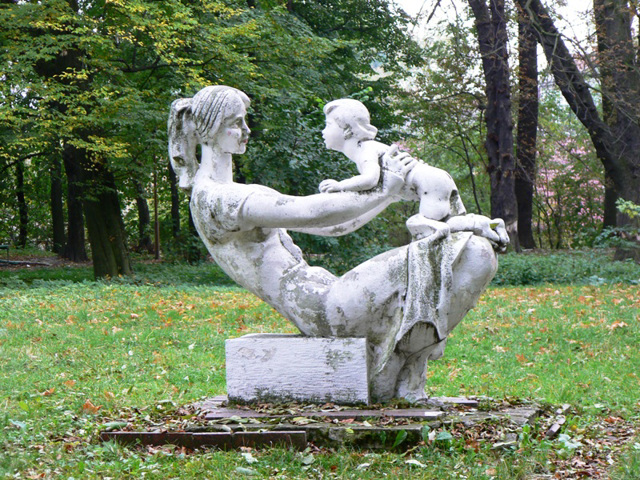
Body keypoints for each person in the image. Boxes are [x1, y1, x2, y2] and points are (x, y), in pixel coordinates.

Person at [168, 85, 509, 402]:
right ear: (209, 130)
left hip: (329, 294)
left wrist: (388, 194)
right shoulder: (217, 199)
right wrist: (385, 188)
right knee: (474, 253)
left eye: (244, 121)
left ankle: (401, 367)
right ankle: (397, 370)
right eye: (235, 123)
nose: (246, 130)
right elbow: (312, 212)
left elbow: (334, 227)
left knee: (478, 252)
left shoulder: (233, 192)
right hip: (323, 311)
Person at [319, 98, 483, 243]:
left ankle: (477, 227)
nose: (323, 131)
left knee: (426, 230)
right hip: (433, 180)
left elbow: (370, 179)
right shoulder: (366, 149)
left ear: (348, 129)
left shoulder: (366, 150)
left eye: (328, 125)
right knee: (448, 223)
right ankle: (481, 225)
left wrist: (340, 186)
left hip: (429, 183)